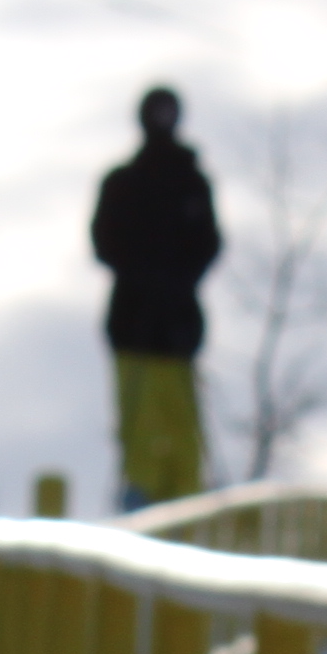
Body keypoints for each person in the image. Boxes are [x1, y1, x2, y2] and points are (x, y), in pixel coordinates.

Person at [91, 86, 223, 510]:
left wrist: (171, 280)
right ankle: (143, 520)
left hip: (175, 332)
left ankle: (181, 522)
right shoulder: (124, 184)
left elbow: (208, 244)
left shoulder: (191, 183)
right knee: (140, 441)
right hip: (136, 328)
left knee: (181, 441)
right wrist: (151, 276)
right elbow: (105, 244)